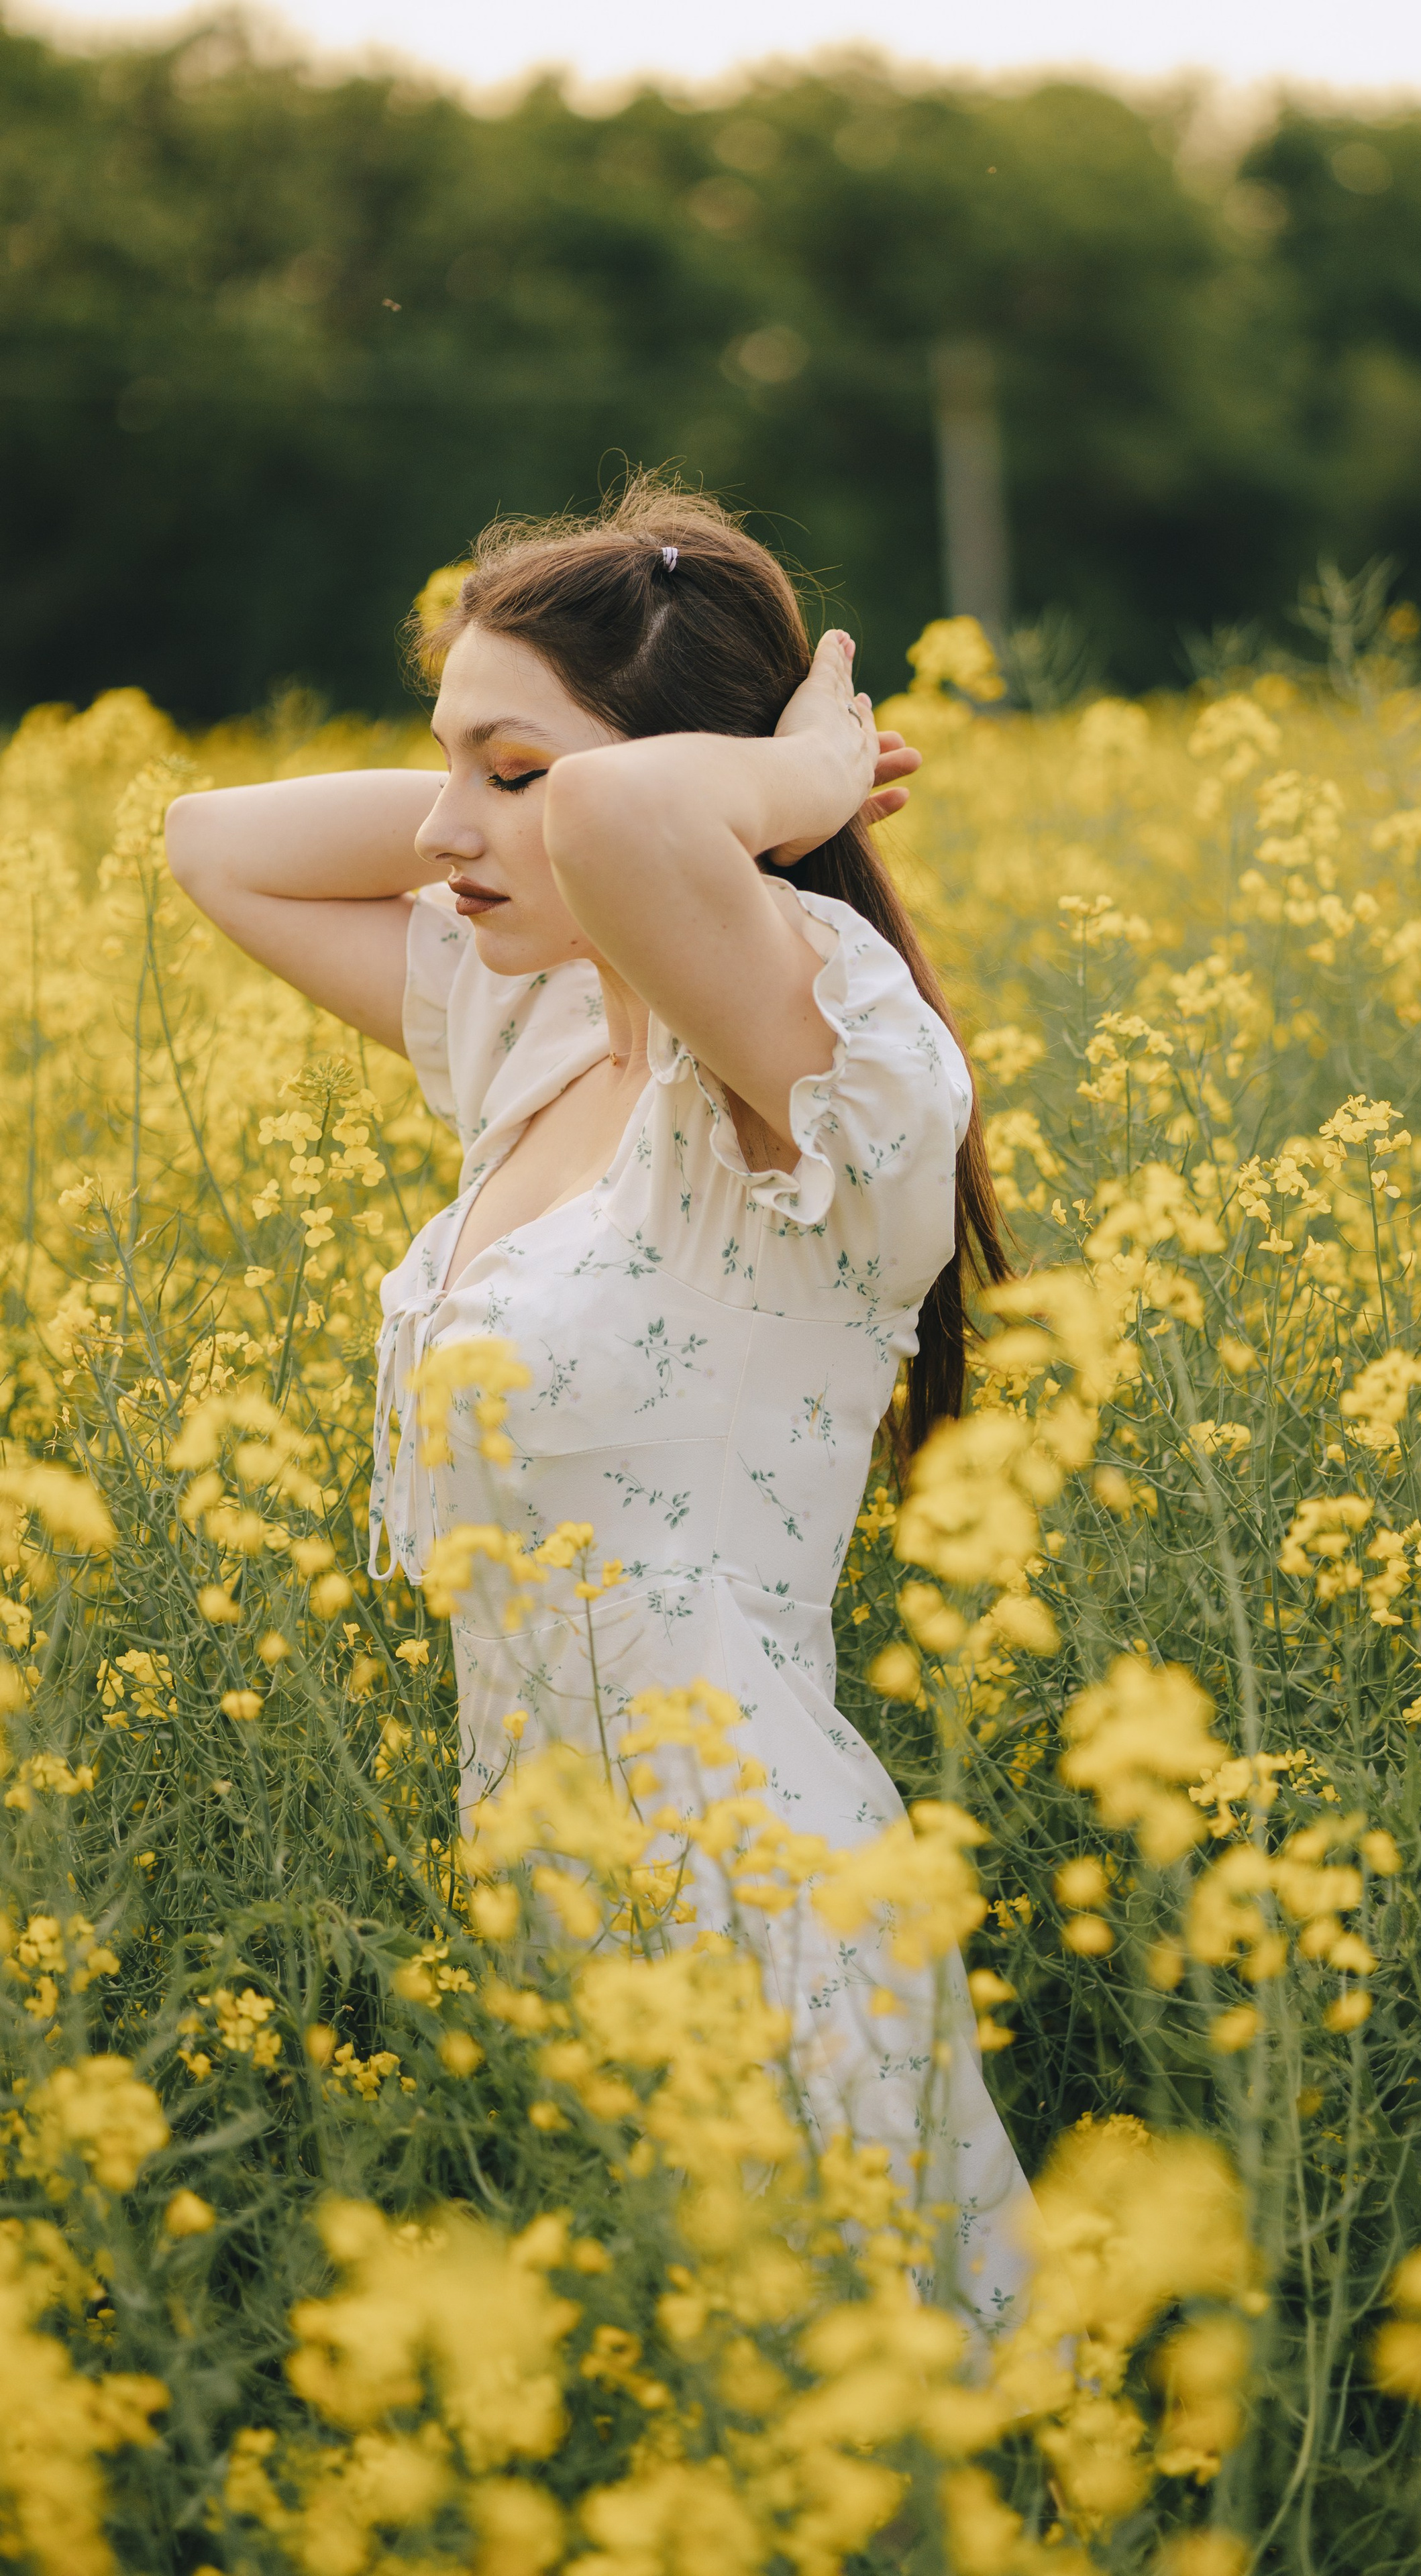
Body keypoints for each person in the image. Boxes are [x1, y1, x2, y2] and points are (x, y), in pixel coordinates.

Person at [165, 478, 1034, 2324]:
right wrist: (511, 775)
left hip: (753, 1901)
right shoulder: (540, 1038)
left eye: (507, 771)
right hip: (553, 1893)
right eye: (446, 764)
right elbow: (212, 838)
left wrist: (792, 790)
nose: (440, 828)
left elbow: (636, 816)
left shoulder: (815, 1080)